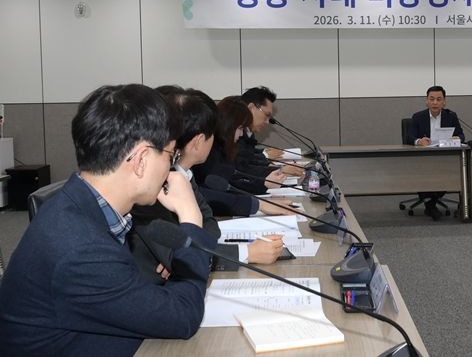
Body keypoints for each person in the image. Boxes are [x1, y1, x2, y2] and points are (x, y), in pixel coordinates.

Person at [0, 84, 213, 356]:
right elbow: (182, 317)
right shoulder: (81, 248)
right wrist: (191, 219)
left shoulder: (81, 206)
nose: (172, 168)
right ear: (141, 160)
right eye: (171, 155)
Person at [128, 87, 283, 284]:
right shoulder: (149, 187)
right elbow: (181, 252)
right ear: (199, 140)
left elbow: (209, 224)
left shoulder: (183, 174)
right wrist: (245, 252)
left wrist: (185, 253)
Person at [193, 96, 295, 217]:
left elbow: (230, 181)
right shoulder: (211, 154)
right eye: (240, 128)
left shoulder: (221, 149)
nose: (242, 134)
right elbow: (212, 194)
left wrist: (262, 185)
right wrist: (259, 203)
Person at [405, 85, 465, 220]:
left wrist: (457, 138)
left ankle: (429, 202)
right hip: (423, 158)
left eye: (439, 99)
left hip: (445, 158)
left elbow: (462, 135)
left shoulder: (451, 116)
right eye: (431, 99)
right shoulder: (418, 117)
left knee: (454, 172)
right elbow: (409, 137)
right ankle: (431, 205)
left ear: (444, 101)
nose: (435, 102)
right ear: (426, 101)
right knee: (426, 171)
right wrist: (419, 141)